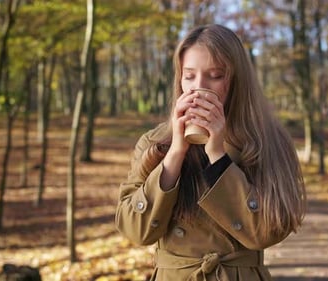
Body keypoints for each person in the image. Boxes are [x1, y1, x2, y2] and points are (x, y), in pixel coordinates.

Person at [115, 24, 306, 281]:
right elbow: (135, 230)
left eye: (215, 75)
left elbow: (269, 232)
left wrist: (218, 154)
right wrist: (175, 152)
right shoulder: (154, 141)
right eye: (189, 75)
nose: (197, 87)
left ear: (237, 80)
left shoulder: (267, 140)